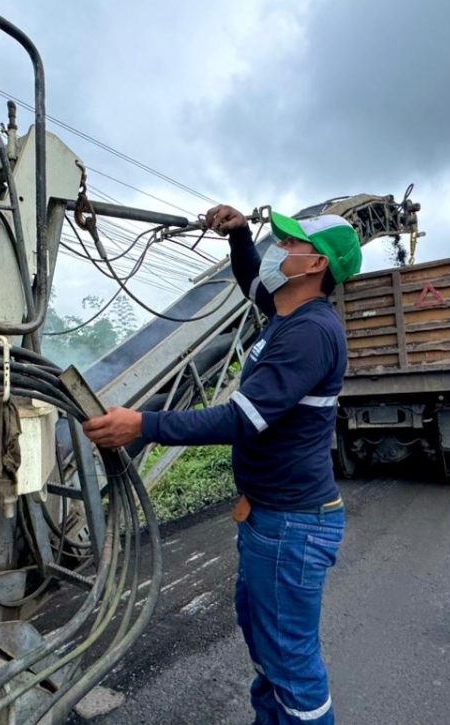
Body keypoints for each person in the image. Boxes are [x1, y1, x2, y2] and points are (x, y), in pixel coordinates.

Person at [83, 204, 362, 724]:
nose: (277, 250)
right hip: (270, 518)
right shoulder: (285, 315)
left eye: (289, 244)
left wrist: (143, 425)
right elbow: (251, 282)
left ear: (315, 265)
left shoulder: (309, 333)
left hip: (292, 528)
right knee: (266, 649)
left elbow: (240, 419)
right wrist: (238, 237)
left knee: (292, 668)